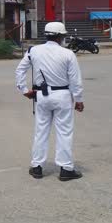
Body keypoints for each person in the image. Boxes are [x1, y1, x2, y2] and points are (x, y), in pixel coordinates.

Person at [15, 21, 84, 181]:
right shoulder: (68, 54)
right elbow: (75, 80)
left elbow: (20, 70)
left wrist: (24, 90)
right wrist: (79, 99)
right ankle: (66, 169)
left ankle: (37, 167)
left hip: (42, 96)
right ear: (61, 36)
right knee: (64, 132)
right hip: (63, 96)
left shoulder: (34, 51)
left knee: (41, 131)